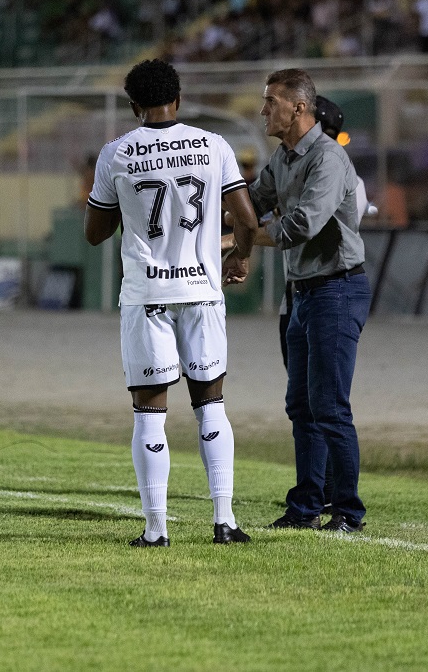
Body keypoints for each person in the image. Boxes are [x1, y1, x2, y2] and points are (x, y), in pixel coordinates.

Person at [85, 59, 259, 547]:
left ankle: (156, 528)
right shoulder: (214, 145)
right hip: (202, 292)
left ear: (135, 106)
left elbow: (95, 234)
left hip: (147, 296)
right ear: (178, 99)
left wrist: (125, 205)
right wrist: (239, 260)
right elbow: (245, 222)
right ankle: (224, 521)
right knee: (211, 403)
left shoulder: (116, 153)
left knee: (149, 412)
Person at [222, 94, 369, 514]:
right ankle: (305, 506)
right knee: (302, 406)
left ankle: (347, 511)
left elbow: (301, 225)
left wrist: (237, 241)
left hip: (336, 290)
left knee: (329, 407)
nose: (263, 110)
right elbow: (251, 204)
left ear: (299, 108)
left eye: (271, 102)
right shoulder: (284, 158)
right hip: (303, 291)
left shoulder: (328, 159)